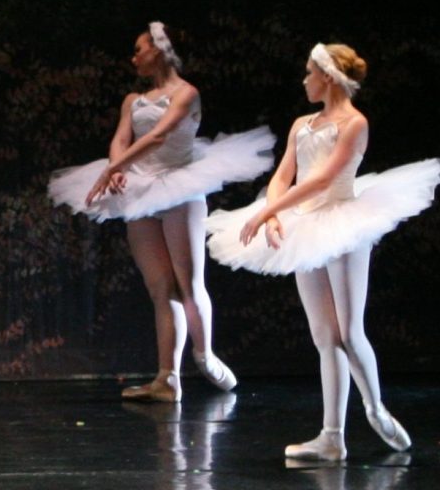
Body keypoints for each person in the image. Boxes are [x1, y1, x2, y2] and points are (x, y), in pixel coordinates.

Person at [206, 43, 440, 464]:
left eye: (309, 73)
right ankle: (331, 436)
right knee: (324, 336)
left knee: (350, 330)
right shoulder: (302, 123)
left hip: (344, 221)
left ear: (328, 77)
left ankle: (375, 409)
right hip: (306, 224)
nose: (304, 80)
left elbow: (324, 180)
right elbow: (283, 177)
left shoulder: (355, 124)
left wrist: (273, 210)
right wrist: (273, 214)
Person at [46, 22, 273, 401]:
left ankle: (205, 354)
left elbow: (160, 136)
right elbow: (122, 138)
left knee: (189, 283)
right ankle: (168, 377)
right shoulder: (133, 100)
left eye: (139, 49)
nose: (133, 57)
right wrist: (118, 167)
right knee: (159, 287)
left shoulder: (186, 94)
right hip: (141, 190)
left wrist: (114, 168)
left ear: (161, 49)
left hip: (180, 186)